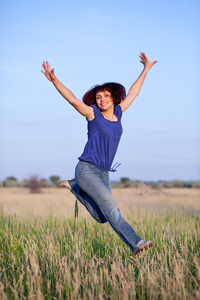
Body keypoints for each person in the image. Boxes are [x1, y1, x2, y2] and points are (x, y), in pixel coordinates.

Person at [41, 52, 157, 255]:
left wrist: (145, 69)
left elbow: (133, 93)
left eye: (105, 96)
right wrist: (54, 81)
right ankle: (136, 243)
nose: (101, 99)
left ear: (113, 97)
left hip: (104, 173)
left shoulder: (119, 113)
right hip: (87, 170)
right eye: (98, 97)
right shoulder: (92, 114)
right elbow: (72, 99)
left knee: (103, 217)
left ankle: (75, 187)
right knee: (112, 209)